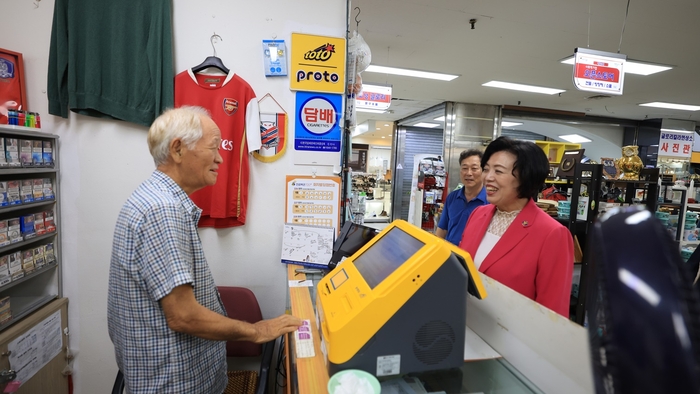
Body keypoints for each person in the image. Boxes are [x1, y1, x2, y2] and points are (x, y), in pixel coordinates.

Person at [107, 106, 302, 393]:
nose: (220, 157)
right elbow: (183, 315)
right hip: (174, 383)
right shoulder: (163, 210)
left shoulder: (154, 198)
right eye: (214, 147)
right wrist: (257, 330)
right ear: (178, 149)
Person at [459, 137, 573, 316]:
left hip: (511, 338)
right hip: (466, 326)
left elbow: (553, 313)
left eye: (498, 171)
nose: (488, 177)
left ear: (525, 178)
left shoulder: (552, 233)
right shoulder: (478, 215)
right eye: (487, 169)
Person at [436, 149, 488, 245]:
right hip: (450, 254)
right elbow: (442, 229)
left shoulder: (490, 201)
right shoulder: (452, 197)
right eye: (464, 168)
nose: (468, 173)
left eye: (474, 168)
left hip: (473, 258)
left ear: (483, 171)